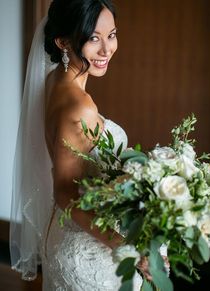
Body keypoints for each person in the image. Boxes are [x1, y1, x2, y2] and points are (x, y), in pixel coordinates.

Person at [10, 0, 143, 290]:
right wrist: (127, 246)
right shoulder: (79, 107)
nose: (107, 50)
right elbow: (65, 191)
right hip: (88, 248)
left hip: (65, 232)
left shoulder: (53, 80)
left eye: (112, 35)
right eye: (94, 38)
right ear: (63, 42)